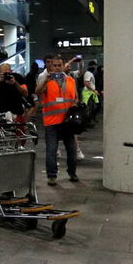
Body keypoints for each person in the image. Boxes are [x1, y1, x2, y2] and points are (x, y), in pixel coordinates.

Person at [36, 54, 79, 184]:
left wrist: (75, 106)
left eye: (59, 65)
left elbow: (75, 98)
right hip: (51, 121)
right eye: (54, 65)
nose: (57, 68)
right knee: (51, 150)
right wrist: (45, 81)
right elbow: (37, 91)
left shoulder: (71, 80)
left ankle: (72, 172)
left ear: (63, 65)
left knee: (72, 150)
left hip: (67, 123)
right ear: (50, 66)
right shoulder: (46, 80)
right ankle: (51, 176)